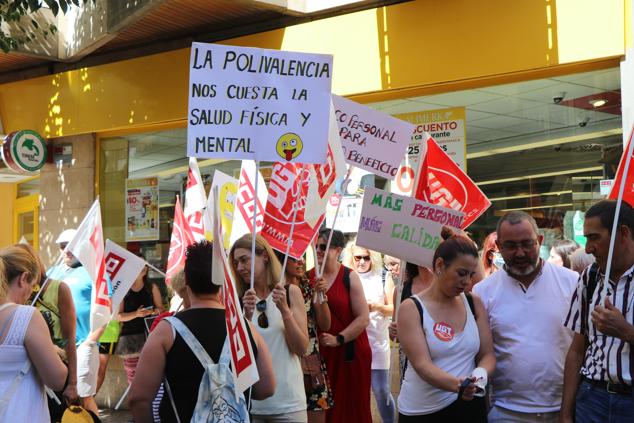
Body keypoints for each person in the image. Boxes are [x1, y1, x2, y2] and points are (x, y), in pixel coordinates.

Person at [129, 241, 275, 422]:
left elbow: (139, 398)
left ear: (187, 282)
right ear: (221, 282)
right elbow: (266, 388)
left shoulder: (166, 331)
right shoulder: (247, 329)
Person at [473, 211, 578, 422]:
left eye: (527, 244)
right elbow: (478, 352)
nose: (520, 253)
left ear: (539, 241)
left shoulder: (573, 282)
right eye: (511, 246)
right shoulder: (482, 292)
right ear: (499, 247)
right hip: (506, 411)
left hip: (565, 410)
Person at [397, 235, 495, 422]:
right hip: (424, 410)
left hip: (468, 404)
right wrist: (459, 385)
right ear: (440, 265)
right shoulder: (411, 308)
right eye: (461, 273)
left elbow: (487, 354)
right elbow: (422, 365)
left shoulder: (474, 302)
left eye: (471, 275)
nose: (467, 281)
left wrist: (479, 374)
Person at [561, 200, 634, 423]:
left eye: (594, 237)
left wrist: (627, 333)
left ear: (623, 233)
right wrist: (565, 413)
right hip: (592, 398)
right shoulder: (590, 277)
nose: (589, 248)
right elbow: (577, 350)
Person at [231, 234, 309, 422]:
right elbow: (235, 356)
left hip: (289, 404)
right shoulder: (239, 298)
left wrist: (284, 311)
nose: (240, 267)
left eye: (244, 260)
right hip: (252, 406)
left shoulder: (290, 292)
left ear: (265, 256)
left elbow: (301, 348)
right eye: (236, 263)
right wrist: (245, 319)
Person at [309, 229, 372, 423]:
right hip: (322, 356)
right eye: (316, 247)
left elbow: (363, 318)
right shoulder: (307, 278)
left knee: (351, 409)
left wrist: (339, 338)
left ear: (337, 250)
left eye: (323, 247)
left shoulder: (349, 276)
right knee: (325, 409)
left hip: (349, 353)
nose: (318, 251)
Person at [0, 245, 68, 421]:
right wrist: (52, 351)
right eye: (33, 285)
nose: (31, 293)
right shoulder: (26, 316)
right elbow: (57, 380)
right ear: (23, 278)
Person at [48, 228, 107, 416]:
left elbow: (107, 309)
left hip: (82, 344)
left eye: (71, 246)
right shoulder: (52, 272)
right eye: (62, 246)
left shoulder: (94, 272)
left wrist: (90, 341)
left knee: (83, 397)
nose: (67, 250)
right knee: (58, 397)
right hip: (55, 347)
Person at [274, 250, 333, 423]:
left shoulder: (309, 286)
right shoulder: (273, 290)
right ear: (280, 260)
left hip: (311, 366)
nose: (300, 261)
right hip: (283, 363)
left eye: (302, 256)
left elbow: (325, 325)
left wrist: (320, 297)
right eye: (293, 257)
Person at [344, 243, 395, 423]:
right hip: (356, 341)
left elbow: (393, 308)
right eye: (358, 258)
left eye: (366, 257)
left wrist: (377, 307)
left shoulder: (383, 275)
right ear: (352, 258)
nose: (362, 262)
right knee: (358, 391)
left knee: (381, 390)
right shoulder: (347, 276)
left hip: (378, 341)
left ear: (372, 257)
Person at [116, 263, 163, 385]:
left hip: (150, 335)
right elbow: (118, 316)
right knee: (133, 376)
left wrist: (151, 311)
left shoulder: (151, 287)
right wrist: (136, 314)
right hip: (130, 339)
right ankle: (136, 402)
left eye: (145, 265)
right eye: (138, 264)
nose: (143, 267)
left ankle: (150, 403)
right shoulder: (124, 289)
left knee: (151, 374)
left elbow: (161, 309)